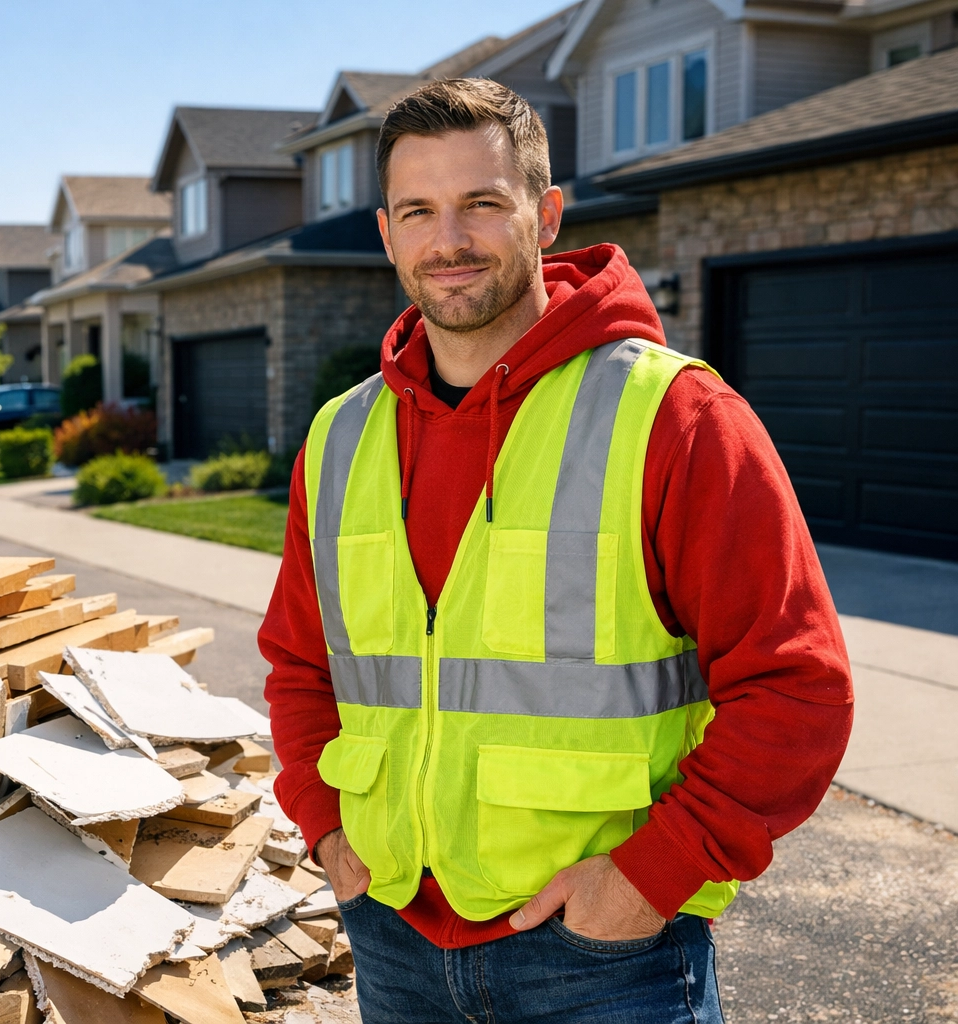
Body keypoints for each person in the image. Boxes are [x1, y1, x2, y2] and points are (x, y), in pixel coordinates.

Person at [259, 78, 853, 1023]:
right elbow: (301, 665)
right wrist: (327, 830)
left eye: (482, 203)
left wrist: (650, 878)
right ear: (386, 234)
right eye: (418, 211)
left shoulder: (675, 416)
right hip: (394, 940)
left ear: (545, 215)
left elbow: (797, 686)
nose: (449, 240)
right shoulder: (340, 437)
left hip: (604, 961)